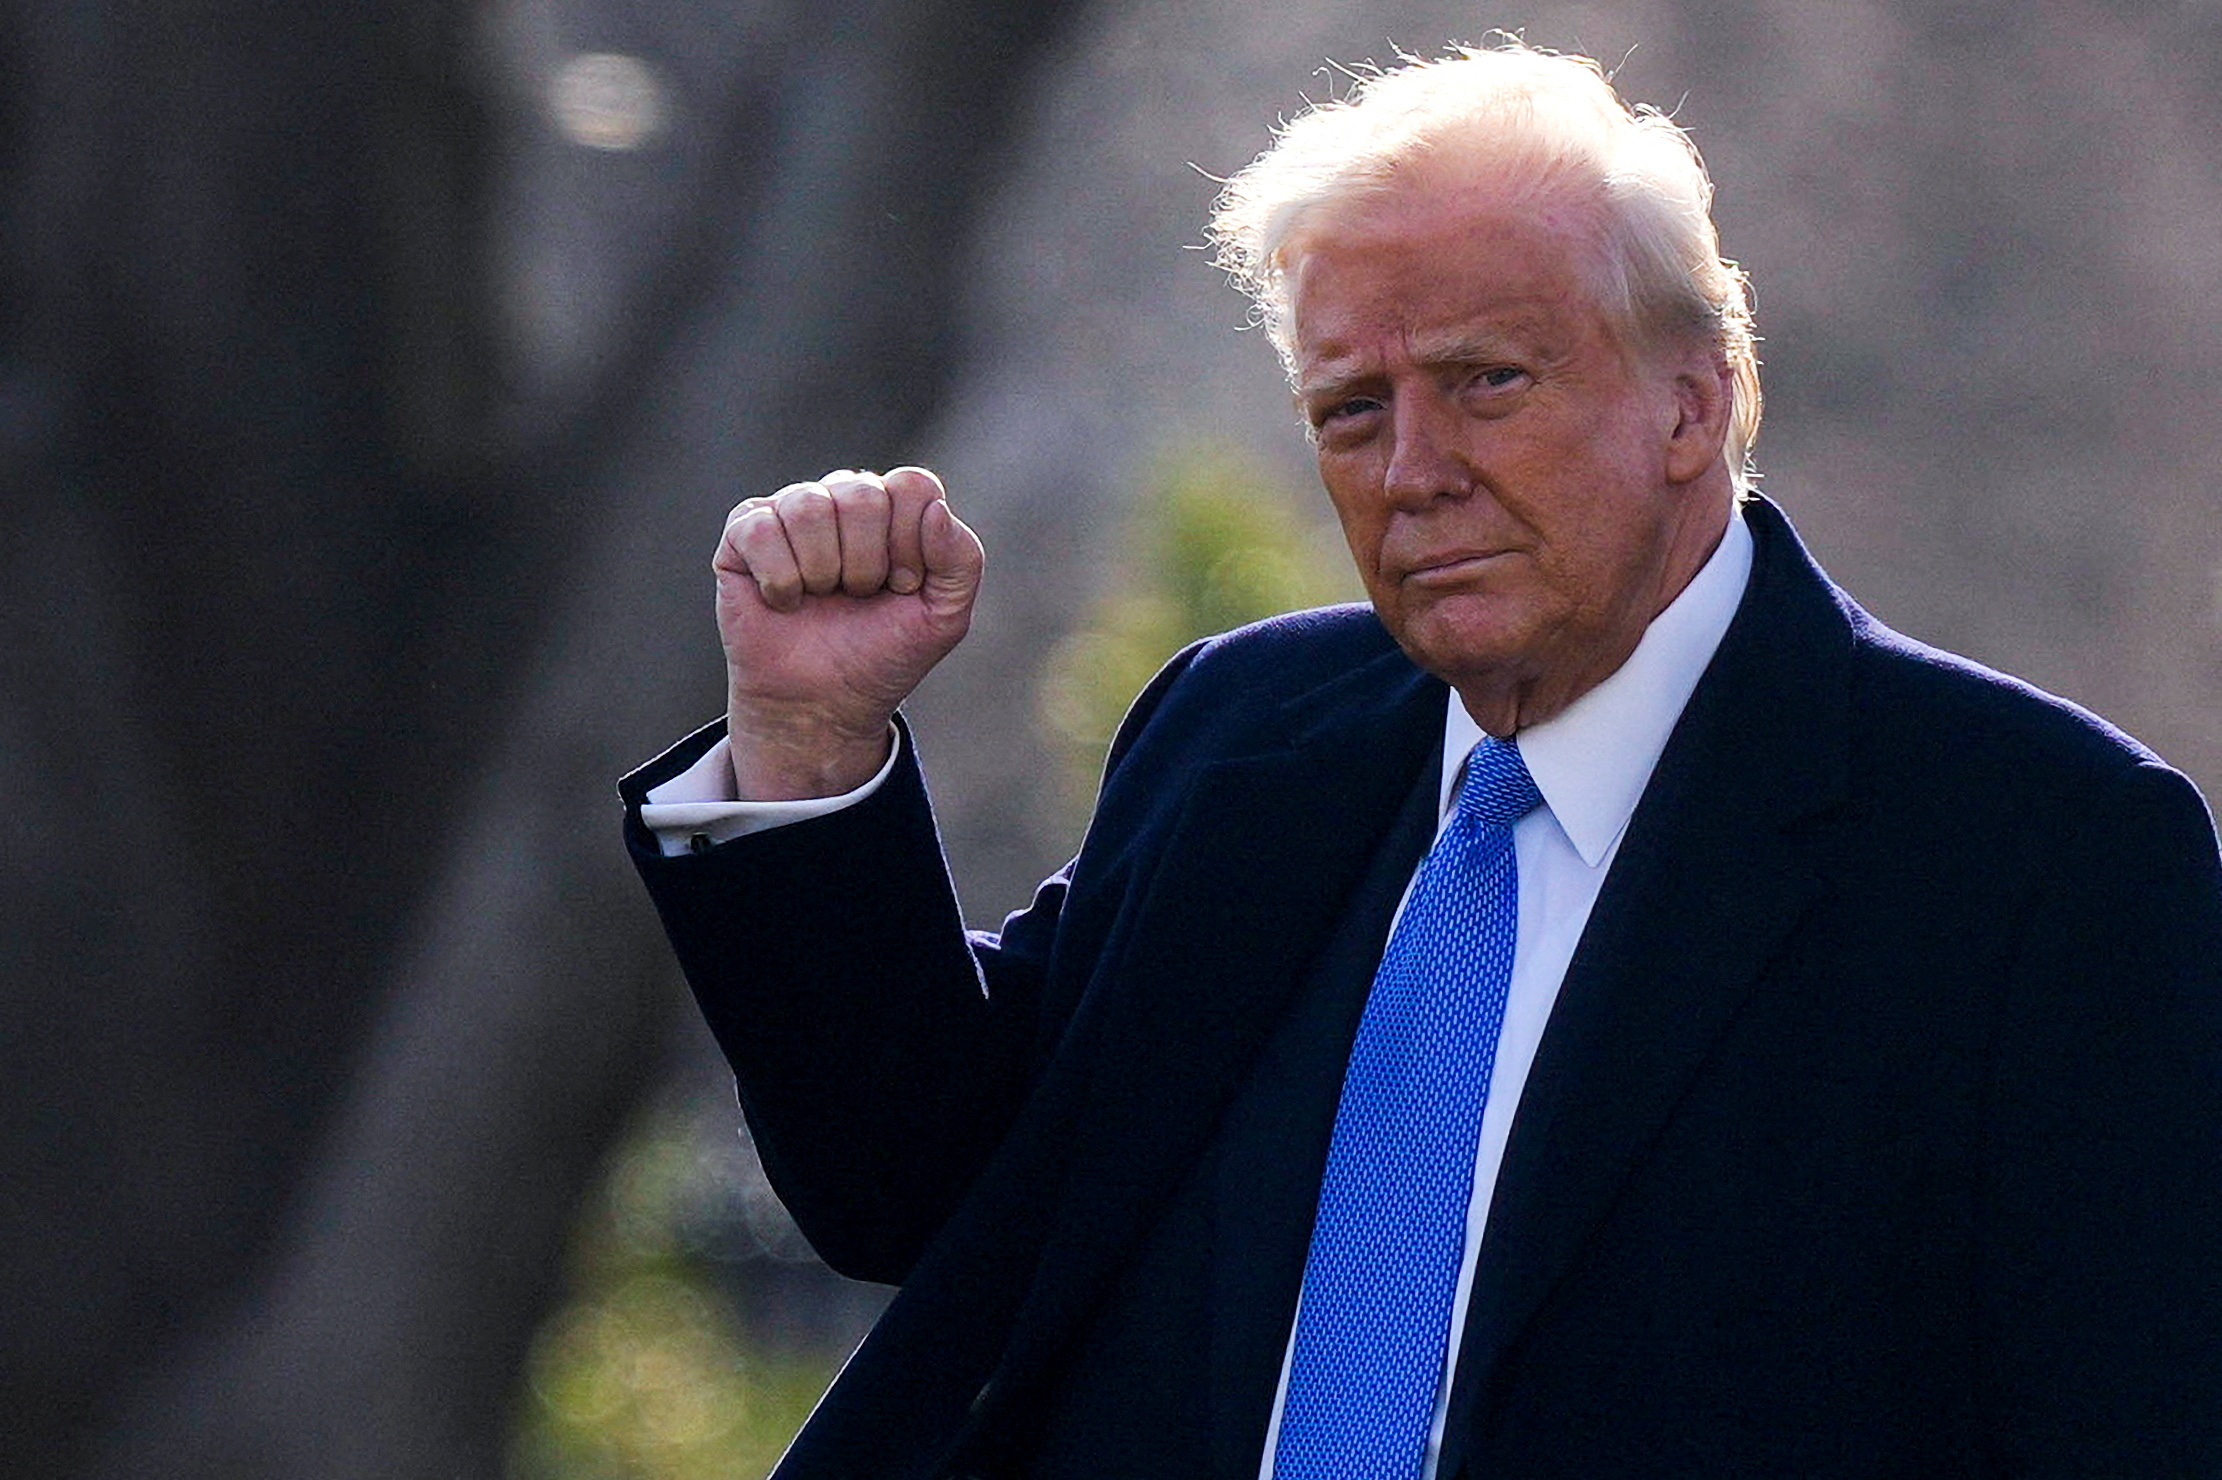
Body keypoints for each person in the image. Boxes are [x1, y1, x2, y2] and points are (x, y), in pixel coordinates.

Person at [621, 41, 2222, 1480]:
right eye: (1347, 409)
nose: (1411, 471)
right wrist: (811, 740)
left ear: (1692, 402)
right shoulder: (1241, 743)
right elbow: (916, 1195)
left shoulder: (2041, 855)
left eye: (1484, 383)